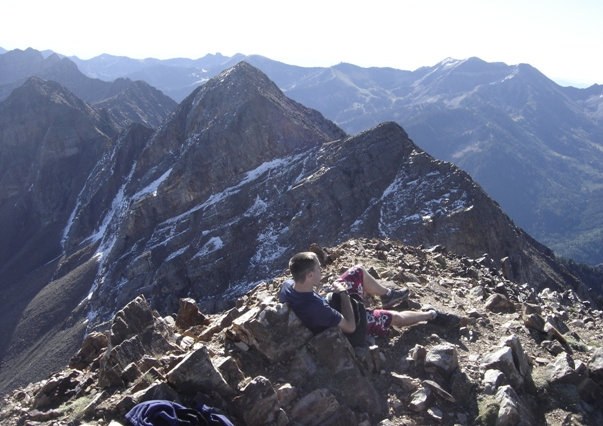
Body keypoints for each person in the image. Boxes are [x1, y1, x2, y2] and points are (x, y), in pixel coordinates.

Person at [279, 251, 455, 344]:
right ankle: (430, 315)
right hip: (348, 322)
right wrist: (343, 294)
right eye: (318, 268)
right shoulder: (317, 307)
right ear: (309, 275)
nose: (321, 270)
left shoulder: (288, 286)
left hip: (330, 303)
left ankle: (388, 295)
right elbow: (350, 326)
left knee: (357, 271)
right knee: (392, 317)